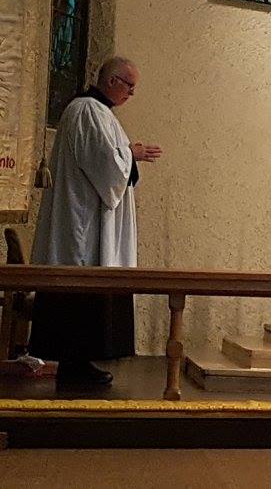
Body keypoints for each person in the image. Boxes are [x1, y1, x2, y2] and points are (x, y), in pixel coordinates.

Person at [30, 57, 162, 386]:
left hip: (88, 219)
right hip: (84, 226)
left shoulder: (99, 112)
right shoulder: (87, 110)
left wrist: (128, 154)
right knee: (81, 292)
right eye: (129, 86)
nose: (132, 93)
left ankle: (79, 364)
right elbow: (104, 164)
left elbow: (109, 160)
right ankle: (74, 366)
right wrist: (131, 153)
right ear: (112, 81)